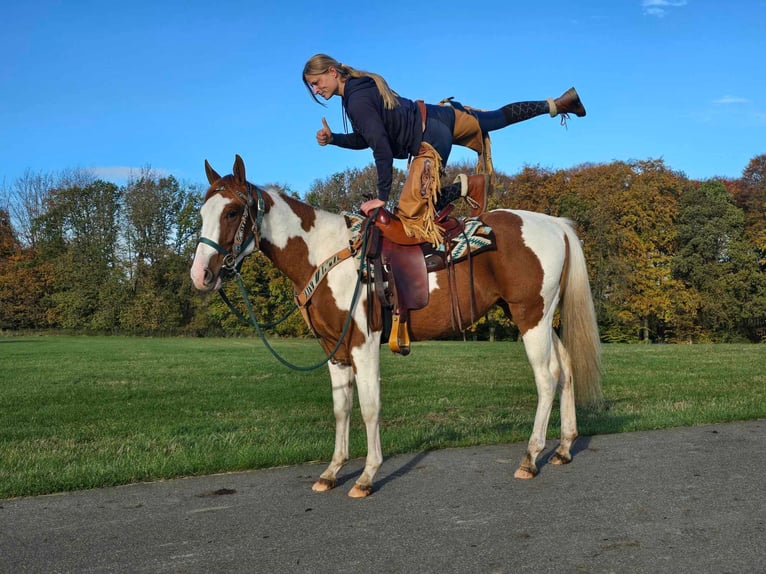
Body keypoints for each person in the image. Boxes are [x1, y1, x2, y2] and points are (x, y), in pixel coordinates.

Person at [302, 53, 586, 245]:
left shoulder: (356, 100)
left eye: (316, 83)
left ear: (331, 71)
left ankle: (467, 187)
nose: (316, 91)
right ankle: (557, 104)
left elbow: (381, 148)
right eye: (311, 89)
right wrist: (335, 138)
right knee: (496, 118)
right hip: (442, 115)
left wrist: (381, 197)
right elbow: (370, 138)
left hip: (429, 139)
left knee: (410, 218)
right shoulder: (359, 88)